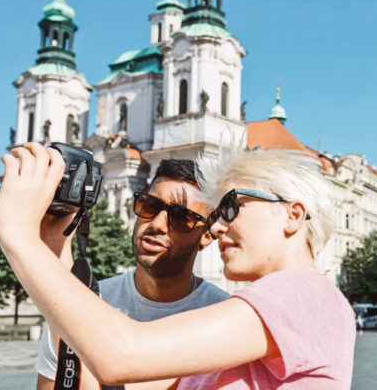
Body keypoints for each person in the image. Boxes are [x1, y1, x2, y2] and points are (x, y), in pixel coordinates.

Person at [0, 143, 355, 389]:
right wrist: (56, 249)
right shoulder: (261, 314)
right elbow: (111, 380)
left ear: (292, 215)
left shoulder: (305, 293)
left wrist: (18, 235)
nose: (215, 226)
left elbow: (119, 354)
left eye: (230, 207)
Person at [34, 159, 230, 389]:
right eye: (150, 206)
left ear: (207, 236)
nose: (157, 224)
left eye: (180, 217)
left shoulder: (223, 318)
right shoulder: (82, 303)